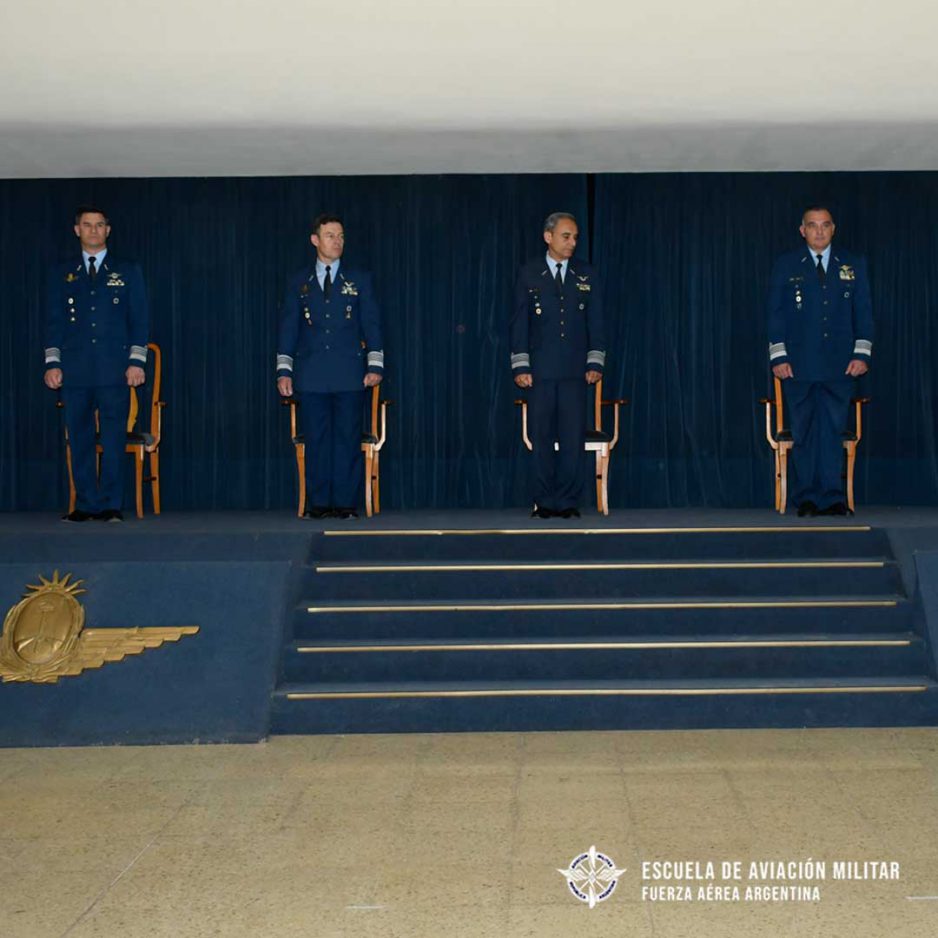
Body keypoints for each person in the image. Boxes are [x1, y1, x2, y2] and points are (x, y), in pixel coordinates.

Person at [44, 206, 150, 522]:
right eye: (87, 225)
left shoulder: (127, 271)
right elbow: (53, 322)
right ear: (77, 230)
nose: (93, 230)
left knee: (114, 437)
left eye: (99, 225)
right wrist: (52, 363)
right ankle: (85, 503)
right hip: (75, 369)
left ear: (108, 230)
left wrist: (136, 362)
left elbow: (139, 320)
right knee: (79, 438)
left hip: (114, 368)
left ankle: (110, 504)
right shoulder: (63, 273)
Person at [767, 205, 873, 516]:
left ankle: (833, 496)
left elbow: (864, 312)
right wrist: (779, 356)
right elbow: (775, 314)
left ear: (833, 229)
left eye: (825, 225)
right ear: (802, 231)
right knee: (804, 432)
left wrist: (861, 354)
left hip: (840, 365)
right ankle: (808, 498)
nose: (819, 231)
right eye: (812, 225)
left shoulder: (852, 264)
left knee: (832, 430)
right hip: (798, 365)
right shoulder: (787, 265)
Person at [276, 214, 384, 519]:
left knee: (347, 439)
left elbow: (372, 324)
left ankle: (346, 504)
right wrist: (284, 371)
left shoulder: (358, 280)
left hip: (350, 373)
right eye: (330, 235)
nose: (337, 241)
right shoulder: (299, 282)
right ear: (315, 240)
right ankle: (320, 503)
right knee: (317, 439)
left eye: (340, 236)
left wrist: (375, 365)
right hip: (311, 374)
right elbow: (288, 328)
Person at [510, 212, 606, 518]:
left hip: (575, 371)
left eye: (575, 237)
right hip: (539, 371)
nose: (572, 243)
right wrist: (521, 366)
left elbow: (596, 322)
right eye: (566, 236)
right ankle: (544, 501)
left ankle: (567, 501)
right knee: (540, 437)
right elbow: (519, 323)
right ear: (548, 237)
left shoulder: (586, 274)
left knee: (571, 439)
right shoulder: (529, 273)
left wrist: (595, 361)